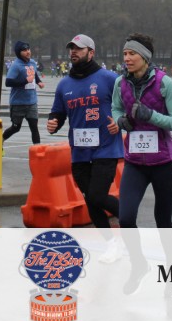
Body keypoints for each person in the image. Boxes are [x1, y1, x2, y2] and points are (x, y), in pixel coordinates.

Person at [47, 34, 125, 261]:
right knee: (90, 200)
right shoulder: (64, 84)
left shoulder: (110, 79)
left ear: (91, 53)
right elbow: (57, 113)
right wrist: (53, 123)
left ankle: (128, 217)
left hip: (106, 149)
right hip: (79, 152)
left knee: (97, 196)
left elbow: (128, 107)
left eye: (79, 48)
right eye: (71, 48)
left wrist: (119, 122)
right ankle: (111, 243)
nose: (73, 52)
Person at [109, 32, 172, 228]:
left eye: (132, 53)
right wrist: (120, 120)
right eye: (125, 54)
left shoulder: (164, 83)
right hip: (134, 163)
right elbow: (116, 107)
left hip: (164, 163)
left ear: (145, 57)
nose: (127, 58)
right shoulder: (120, 83)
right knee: (126, 219)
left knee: (163, 221)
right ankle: (136, 251)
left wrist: (151, 115)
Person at [3, 40, 45, 148]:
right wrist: (25, 81)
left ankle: (38, 151)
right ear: (19, 52)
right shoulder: (16, 65)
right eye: (24, 50)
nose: (28, 52)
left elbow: (34, 73)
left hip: (32, 102)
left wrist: (39, 81)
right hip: (18, 103)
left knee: (34, 127)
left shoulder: (32, 62)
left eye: (28, 49)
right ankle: (0, 140)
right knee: (16, 127)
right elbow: (8, 82)